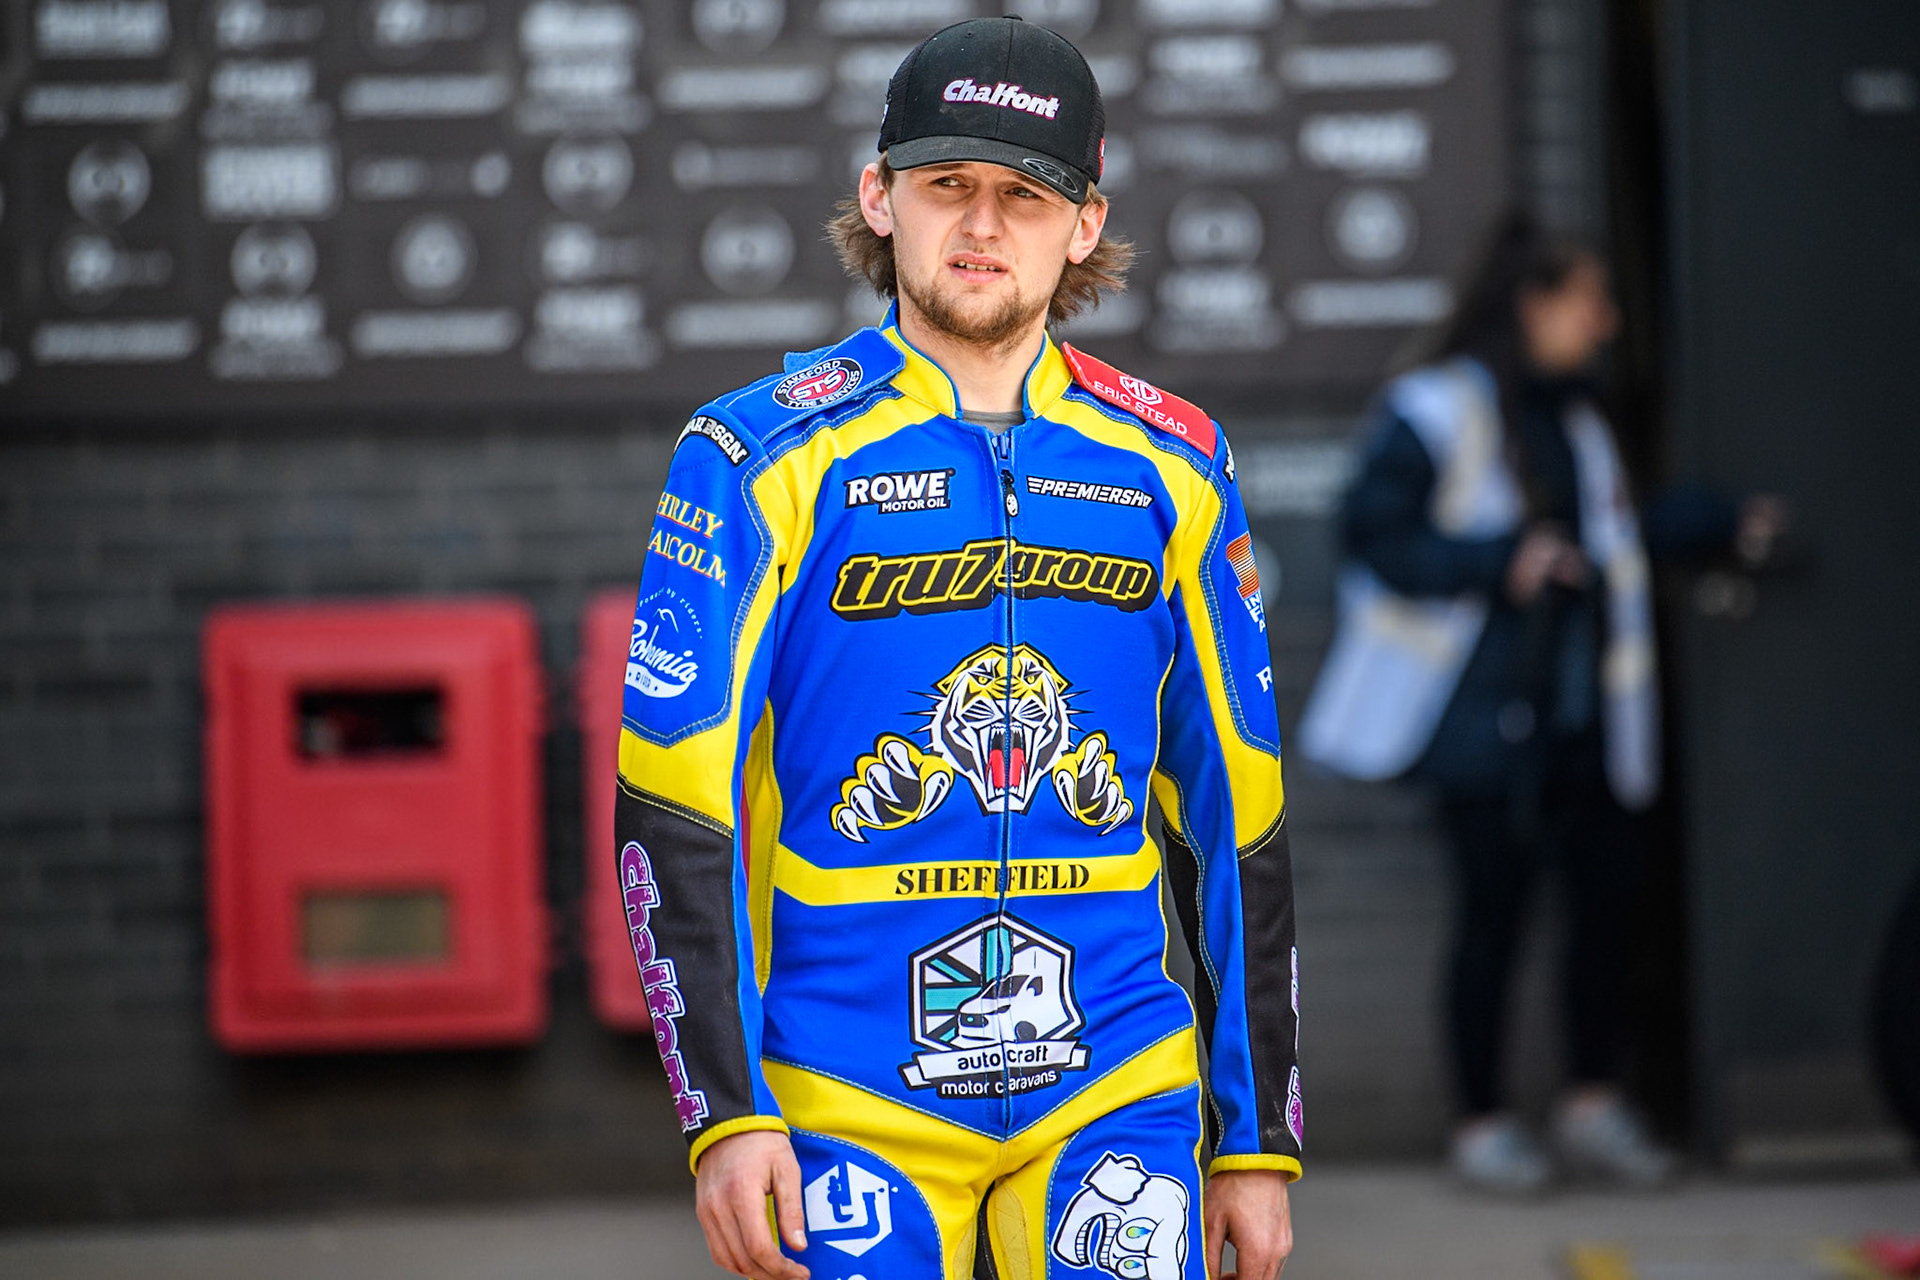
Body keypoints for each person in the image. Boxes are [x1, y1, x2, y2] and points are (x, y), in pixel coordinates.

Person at [616, 17, 1301, 1280]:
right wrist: (726, 1110)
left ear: (1084, 223)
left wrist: (1254, 1139)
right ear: (881, 199)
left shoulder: (1178, 465)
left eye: (1024, 196)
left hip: (1117, 1089)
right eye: (947, 187)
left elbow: (1238, 811)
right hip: (845, 1095)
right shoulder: (754, 454)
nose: (982, 226)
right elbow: (671, 801)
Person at [1298, 212, 1782, 1195]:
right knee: (1492, 919)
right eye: (1588, 300)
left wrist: (1720, 523)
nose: (1604, 321)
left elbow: (1617, 539)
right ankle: (1481, 1123)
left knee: (1604, 913)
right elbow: (1372, 533)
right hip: (1479, 721)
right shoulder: (1438, 408)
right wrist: (1500, 561)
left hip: (1588, 721)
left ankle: (1593, 1104)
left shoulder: (1580, 416)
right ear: (1534, 301)